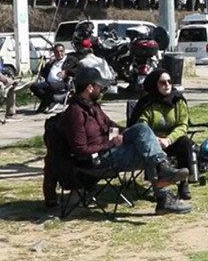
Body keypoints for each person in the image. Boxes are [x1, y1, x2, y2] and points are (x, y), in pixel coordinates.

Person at [64, 67, 191, 214]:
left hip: (110, 151)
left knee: (144, 135)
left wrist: (131, 134)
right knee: (147, 146)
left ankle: (163, 176)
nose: (102, 90)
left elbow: (111, 126)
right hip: (98, 160)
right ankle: (163, 189)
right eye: (100, 87)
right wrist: (111, 143)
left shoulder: (93, 107)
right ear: (90, 88)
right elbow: (81, 150)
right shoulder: (76, 114)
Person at [130, 69, 194, 201]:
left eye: (169, 82)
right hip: (153, 142)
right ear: (155, 85)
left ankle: (183, 184)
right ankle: (158, 188)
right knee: (149, 147)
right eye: (163, 83)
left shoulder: (178, 100)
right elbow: (142, 125)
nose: (167, 85)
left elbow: (183, 125)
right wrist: (156, 139)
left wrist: (169, 139)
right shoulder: (146, 104)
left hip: (171, 140)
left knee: (185, 143)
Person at [32, 43, 79, 113]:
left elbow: (78, 70)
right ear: (54, 53)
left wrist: (66, 72)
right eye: (57, 52)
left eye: (61, 51)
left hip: (63, 82)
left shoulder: (71, 60)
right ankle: (49, 101)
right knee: (33, 86)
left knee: (50, 86)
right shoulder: (52, 62)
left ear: (64, 51)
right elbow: (43, 73)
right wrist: (48, 63)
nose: (59, 53)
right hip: (49, 83)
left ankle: (46, 103)